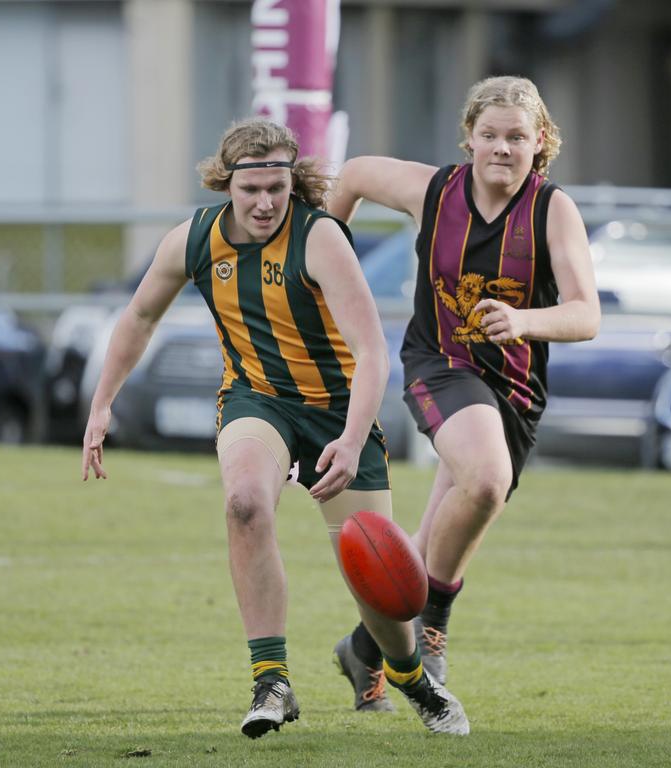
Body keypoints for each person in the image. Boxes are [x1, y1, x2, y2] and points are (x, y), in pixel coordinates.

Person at [81, 117, 469, 737]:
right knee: (243, 503)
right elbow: (138, 317)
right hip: (255, 401)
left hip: (341, 411)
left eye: (277, 190)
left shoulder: (321, 239)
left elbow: (372, 351)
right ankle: (272, 681)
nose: (264, 203)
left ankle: (409, 675)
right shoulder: (194, 239)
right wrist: (102, 404)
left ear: (293, 185)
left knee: (376, 574)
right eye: (250, 190)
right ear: (226, 185)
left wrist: (349, 437)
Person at [327, 76, 601, 709]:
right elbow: (357, 174)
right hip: (440, 363)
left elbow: (586, 314)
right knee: (484, 481)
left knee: (432, 538)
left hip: (516, 386)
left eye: (516, 137)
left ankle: (364, 650)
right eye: (489, 135)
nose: (501, 148)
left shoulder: (552, 209)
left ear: (540, 143)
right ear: (469, 139)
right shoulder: (435, 190)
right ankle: (433, 629)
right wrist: (326, 264)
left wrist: (527, 319)